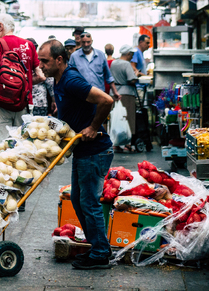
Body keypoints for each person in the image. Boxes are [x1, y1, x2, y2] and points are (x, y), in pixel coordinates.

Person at [38, 39, 114, 269]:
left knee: (89, 203)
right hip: (83, 151)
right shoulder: (58, 79)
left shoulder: (71, 80)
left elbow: (106, 100)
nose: (40, 65)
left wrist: (92, 127)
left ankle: (100, 254)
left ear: (59, 60)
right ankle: (97, 248)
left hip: (94, 151)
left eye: (45, 61)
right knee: (80, 204)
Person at [0, 14, 44, 150]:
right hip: (24, 104)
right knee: (22, 150)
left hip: (1, 103)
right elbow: (40, 77)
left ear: (0, 26)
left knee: (0, 149)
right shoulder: (29, 45)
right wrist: (21, 86)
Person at [69, 32, 121, 101]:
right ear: (80, 42)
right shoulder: (74, 56)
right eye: (83, 42)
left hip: (99, 94)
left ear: (92, 41)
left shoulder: (101, 55)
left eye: (88, 42)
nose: (86, 44)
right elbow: (70, 76)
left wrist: (115, 92)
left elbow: (108, 76)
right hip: (81, 95)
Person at [110, 44, 138, 153]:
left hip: (114, 92)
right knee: (128, 118)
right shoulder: (126, 64)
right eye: (132, 54)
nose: (132, 57)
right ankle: (127, 143)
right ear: (128, 54)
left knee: (116, 118)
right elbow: (132, 79)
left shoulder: (114, 62)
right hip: (126, 93)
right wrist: (136, 74)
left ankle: (116, 143)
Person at [27, 37, 55, 116]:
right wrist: (53, 99)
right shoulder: (40, 61)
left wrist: (53, 100)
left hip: (37, 101)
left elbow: (49, 82)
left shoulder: (40, 61)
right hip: (36, 101)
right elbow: (50, 83)